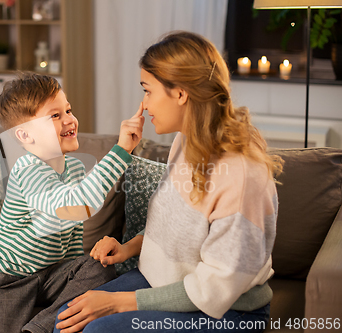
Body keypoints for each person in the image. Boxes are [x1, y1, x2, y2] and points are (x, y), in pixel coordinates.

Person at [54, 31, 284, 333]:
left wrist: (119, 302)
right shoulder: (186, 142)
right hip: (166, 283)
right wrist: (130, 247)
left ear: (180, 94)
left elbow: (216, 287)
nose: (144, 104)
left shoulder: (242, 175)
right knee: (67, 319)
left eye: (148, 91)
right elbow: (176, 225)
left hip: (227, 309)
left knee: (97, 330)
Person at [0, 73, 145, 333]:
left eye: (68, 110)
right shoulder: (27, 169)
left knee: (98, 267)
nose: (69, 119)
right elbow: (73, 205)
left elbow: (74, 229)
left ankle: (40, 326)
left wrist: (75, 270)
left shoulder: (74, 167)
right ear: (25, 136)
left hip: (52, 273)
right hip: (8, 279)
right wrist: (121, 151)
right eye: (55, 115)